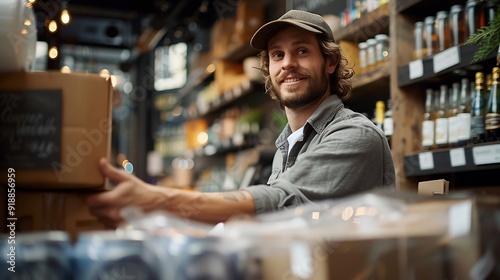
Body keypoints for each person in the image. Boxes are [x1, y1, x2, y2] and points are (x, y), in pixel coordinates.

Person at [87, 9, 395, 228]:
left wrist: (159, 200)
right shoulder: (288, 145)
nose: (287, 64)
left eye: (302, 51)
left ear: (329, 62)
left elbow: (281, 202)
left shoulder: (355, 134)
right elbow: (280, 224)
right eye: (277, 55)